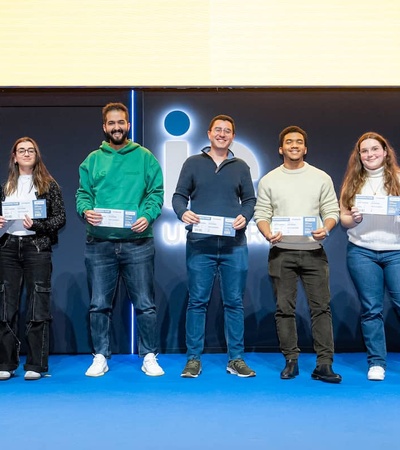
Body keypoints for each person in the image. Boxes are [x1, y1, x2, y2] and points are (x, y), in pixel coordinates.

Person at [76, 102, 164, 377]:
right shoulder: (92, 160)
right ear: (104, 127)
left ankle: (149, 355)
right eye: (111, 123)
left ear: (128, 125)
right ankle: (100, 355)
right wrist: (85, 210)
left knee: (145, 304)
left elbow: (156, 193)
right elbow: (83, 194)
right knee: (99, 304)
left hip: (138, 243)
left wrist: (147, 216)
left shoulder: (145, 157)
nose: (116, 127)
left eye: (121, 123)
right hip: (100, 244)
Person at [254, 125, 342, 383]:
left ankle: (324, 364)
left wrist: (326, 228)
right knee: (284, 310)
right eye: (289, 142)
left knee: (321, 309)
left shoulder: (321, 177)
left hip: (314, 252)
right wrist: (268, 233)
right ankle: (291, 360)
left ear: (305, 148)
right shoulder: (269, 179)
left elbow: (332, 211)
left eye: (299, 142)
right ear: (281, 148)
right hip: (281, 252)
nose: (294, 145)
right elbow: (261, 215)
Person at [172, 114, 256, 378]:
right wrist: (182, 213)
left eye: (227, 131)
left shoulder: (241, 166)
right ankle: (193, 359)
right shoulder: (193, 163)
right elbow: (178, 197)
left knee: (234, 303)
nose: (222, 134)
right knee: (197, 302)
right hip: (200, 244)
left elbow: (250, 201)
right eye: (217, 130)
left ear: (232, 136)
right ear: (209, 133)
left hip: (234, 245)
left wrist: (246, 215)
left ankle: (236, 359)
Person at [0, 137, 66, 381]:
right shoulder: (5, 187)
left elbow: (60, 219)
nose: (26, 153)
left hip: (36, 248)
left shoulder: (49, 186)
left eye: (31, 150)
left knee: (38, 304)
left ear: (36, 155)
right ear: (14, 157)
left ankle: (36, 364)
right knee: (6, 306)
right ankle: (6, 363)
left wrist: (37, 225)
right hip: (7, 247)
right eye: (21, 150)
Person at [340, 132, 400, 381]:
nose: (370, 154)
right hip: (362, 251)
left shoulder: (397, 178)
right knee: (371, 309)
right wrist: (352, 219)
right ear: (359, 155)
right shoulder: (352, 181)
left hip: (396, 251)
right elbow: (343, 219)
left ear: (385, 152)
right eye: (364, 151)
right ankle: (376, 363)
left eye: (375, 149)